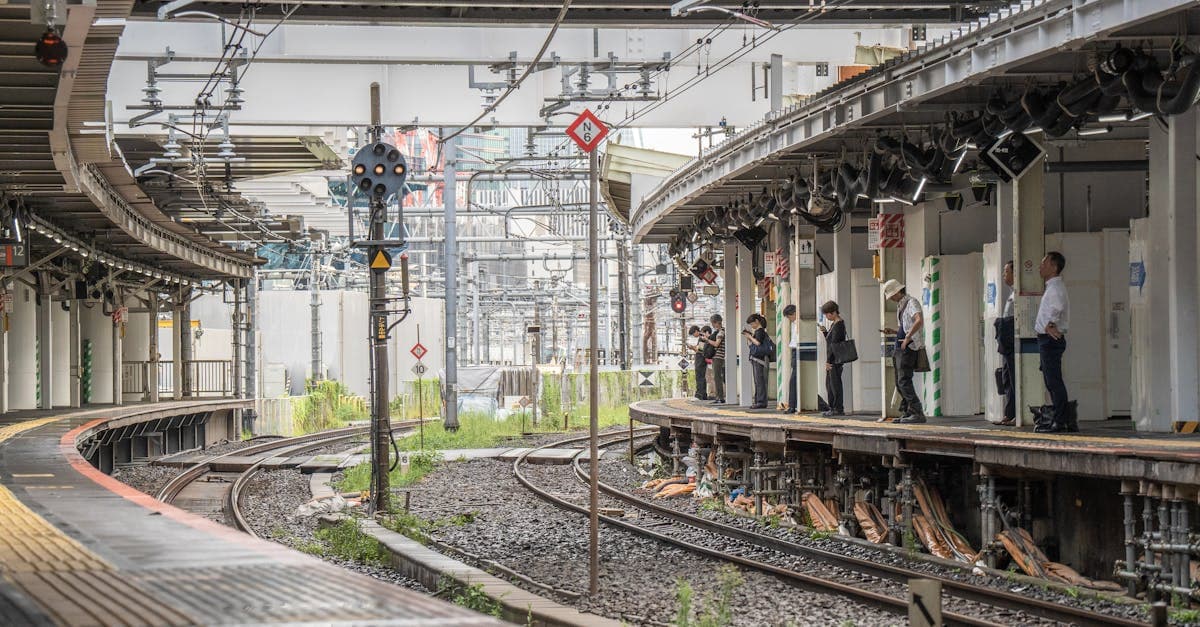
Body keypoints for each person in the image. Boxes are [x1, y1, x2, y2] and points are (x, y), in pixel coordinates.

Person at [1035, 252, 1071, 433]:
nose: (1040, 267)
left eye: (1044, 263)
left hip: (1050, 340)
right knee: (1051, 381)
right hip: (1047, 340)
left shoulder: (1055, 289)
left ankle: (1061, 421)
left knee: (1054, 381)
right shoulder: (1052, 287)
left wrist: (1049, 325)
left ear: (1054, 267)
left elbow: (1057, 309)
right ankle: (1060, 418)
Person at [881, 279, 926, 424]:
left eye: (893, 294)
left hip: (908, 346)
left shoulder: (911, 302)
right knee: (899, 381)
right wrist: (895, 332)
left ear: (899, 291)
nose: (892, 298)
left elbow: (919, 320)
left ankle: (917, 412)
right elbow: (905, 326)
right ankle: (908, 411)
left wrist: (907, 337)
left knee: (904, 380)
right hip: (900, 346)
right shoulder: (901, 305)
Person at [995, 262, 1017, 426]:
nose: (1004, 274)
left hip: (1013, 344)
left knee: (1014, 377)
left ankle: (1017, 413)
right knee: (1007, 378)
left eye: (1006, 271)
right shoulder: (1011, 293)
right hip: (1006, 343)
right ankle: (1009, 414)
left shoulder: (1019, 294)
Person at [820, 300, 846, 417]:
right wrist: (825, 332)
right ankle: (833, 407)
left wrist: (828, 361)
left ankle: (837, 408)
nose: (827, 316)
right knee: (830, 384)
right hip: (833, 359)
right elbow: (830, 340)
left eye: (827, 314)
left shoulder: (839, 325)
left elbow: (834, 345)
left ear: (834, 312)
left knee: (834, 384)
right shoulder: (834, 325)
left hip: (834, 360)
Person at [741, 313, 771, 409]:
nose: (752, 326)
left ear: (757, 322)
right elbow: (751, 345)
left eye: (752, 324)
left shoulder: (760, 331)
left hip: (760, 359)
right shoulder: (758, 332)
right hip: (757, 359)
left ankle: (761, 401)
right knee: (758, 381)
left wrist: (749, 336)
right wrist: (749, 336)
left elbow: (757, 343)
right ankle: (758, 400)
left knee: (760, 380)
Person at [703, 314, 726, 403]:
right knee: (717, 377)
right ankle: (719, 397)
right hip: (718, 357)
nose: (712, 325)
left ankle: (720, 397)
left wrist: (707, 340)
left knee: (717, 377)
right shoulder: (720, 331)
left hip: (718, 357)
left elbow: (716, 344)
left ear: (717, 323)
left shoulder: (721, 332)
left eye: (713, 323)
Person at [783, 304, 799, 414]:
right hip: (795, 351)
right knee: (795, 380)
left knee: (794, 380)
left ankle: (792, 405)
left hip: (799, 351)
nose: (789, 319)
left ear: (793, 314)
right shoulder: (794, 324)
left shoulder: (800, 323)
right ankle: (793, 404)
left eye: (789, 317)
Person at [688, 325, 708, 400]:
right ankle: (703, 394)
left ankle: (699, 394)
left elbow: (700, 350)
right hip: (701, 359)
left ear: (696, 331)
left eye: (693, 334)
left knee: (699, 376)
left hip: (701, 359)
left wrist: (692, 347)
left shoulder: (702, 338)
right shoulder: (702, 338)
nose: (694, 336)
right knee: (701, 376)